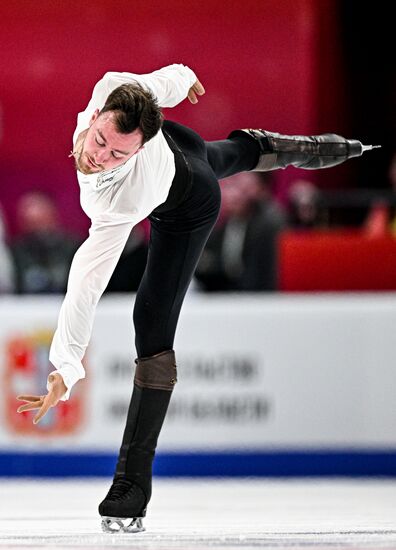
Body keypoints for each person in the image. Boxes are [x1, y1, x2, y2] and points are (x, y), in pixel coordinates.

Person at [15, 63, 377, 533]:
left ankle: (131, 486)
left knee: (151, 323)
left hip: (186, 203)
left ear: (140, 148)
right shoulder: (112, 89)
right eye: (100, 141)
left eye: (118, 154)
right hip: (178, 141)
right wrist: (184, 77)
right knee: (216, 153)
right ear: (100, 112)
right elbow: (152, 87)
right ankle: (281, 148)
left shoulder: (122, 197)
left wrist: (66, 364)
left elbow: (86, 278)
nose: (99, 156)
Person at [195, 172, 286, 291]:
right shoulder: (224, 224)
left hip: (258, 296)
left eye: (243, 190)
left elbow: (264, 274)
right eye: (230, 186)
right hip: (224, 296)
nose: (233, 194)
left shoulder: (267, 223)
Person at [11, 191, 80, 294]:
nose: (38, 230)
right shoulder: (15, 252)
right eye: (31, 224)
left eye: (41, 221)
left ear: (52, 217)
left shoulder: (73, 247)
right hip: (28, 306)